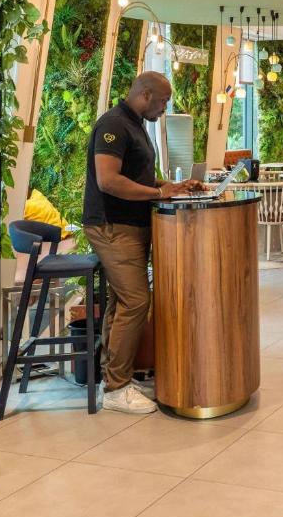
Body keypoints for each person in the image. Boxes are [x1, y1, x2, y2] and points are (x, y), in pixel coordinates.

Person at [83, 71, 198, 413]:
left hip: (128, 225)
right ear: (146, 95)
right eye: (163, 101)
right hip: (112, 225)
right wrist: (157, 192)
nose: (165, 108)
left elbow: (138, 177)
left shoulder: (136, 125)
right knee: (135, 302)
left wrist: (170, 187)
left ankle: (115, 377)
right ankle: (116, 388)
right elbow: (108, 181)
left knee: (121, 303)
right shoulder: (114, 124)